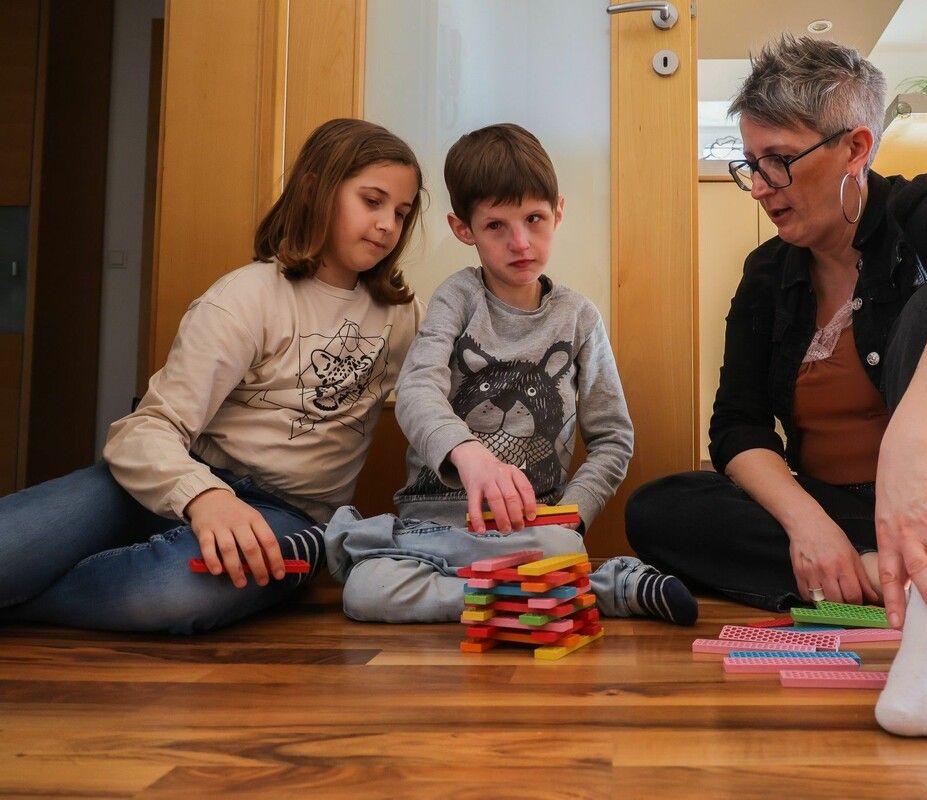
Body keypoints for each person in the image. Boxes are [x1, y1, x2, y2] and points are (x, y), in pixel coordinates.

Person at [625, 35, 927, 739]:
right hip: (863, 518)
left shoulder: (926, 208)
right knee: (659, 510)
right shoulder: (768, 274)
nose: (760, 186)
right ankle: (882, 575)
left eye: (779, 163)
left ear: (856, 149)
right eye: (749, 164)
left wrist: (910, 446)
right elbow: (737, 426)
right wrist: (810, 525)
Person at [0, 118, 426, 634]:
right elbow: (146, 430)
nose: (387, 225)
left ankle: (26, 607)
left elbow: (440, 399)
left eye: (401, 213)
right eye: (372, 201)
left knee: (170, 595)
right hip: (176, 480)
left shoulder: (402, 316)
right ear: (316, 190)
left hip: (288, 515)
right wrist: (205, 497)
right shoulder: (245, 297)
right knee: (12, 545)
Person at [323, 123, 697, 627]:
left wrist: (573, 512)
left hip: (531, 531)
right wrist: (469, 455)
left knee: (556, 544)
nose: (521, 242)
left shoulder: (580, 318)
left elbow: (612, 437)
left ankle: (557, 583)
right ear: (464, 230)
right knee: (365, 592)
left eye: (535, 218)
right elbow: (415, 389)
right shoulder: (457, 298)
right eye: (496, 225)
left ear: (558, 212)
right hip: (431, 534)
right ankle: (573, 593)